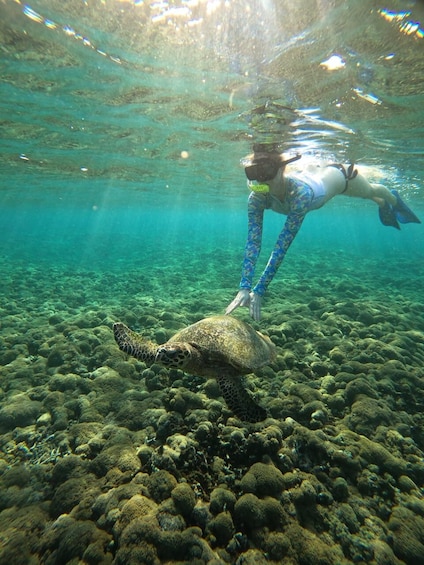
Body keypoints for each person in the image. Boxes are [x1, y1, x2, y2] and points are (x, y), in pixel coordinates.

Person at [226, 145, 421, 322]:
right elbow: (253, 242)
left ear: (281, 169)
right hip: (315, 175)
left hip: (342, 177)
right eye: (255, 173)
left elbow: (281, 247)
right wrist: (245, 287)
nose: (262, 179)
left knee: (369, 191)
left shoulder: (300, 195)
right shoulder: (257, 198)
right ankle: (381, 204)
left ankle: (392, 200)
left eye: (267, 171)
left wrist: (259, 290)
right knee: (371, 197)